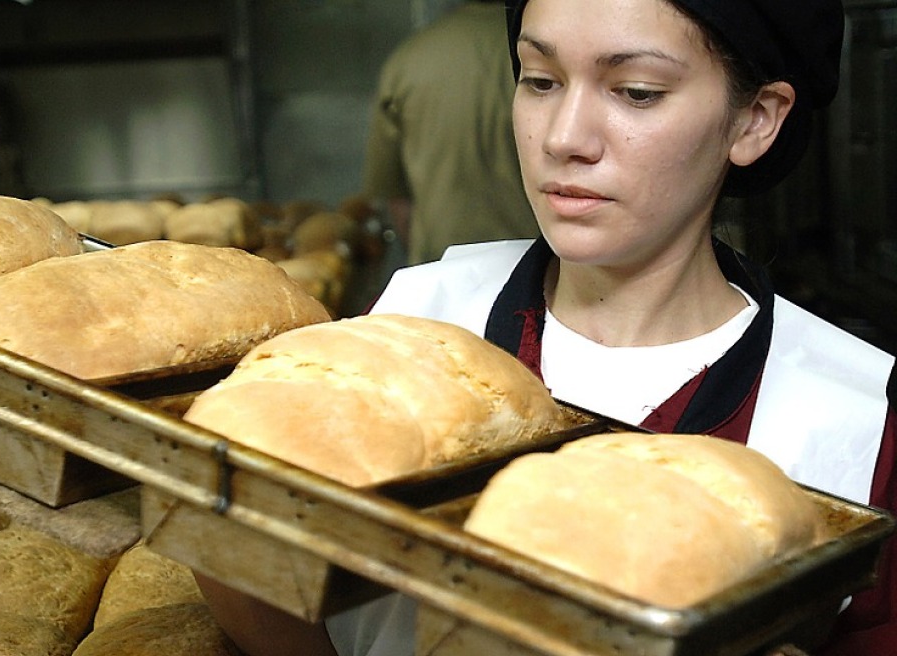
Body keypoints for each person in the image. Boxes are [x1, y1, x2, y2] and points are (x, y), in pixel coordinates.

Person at [197, 0, 897, 654]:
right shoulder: (411, 323)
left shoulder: (847, 426)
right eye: (539, 80)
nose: (564, 138)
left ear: (755, 121)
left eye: (636, 92)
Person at [362, 0, 539, 265]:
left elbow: (393, 191)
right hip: (535, 269)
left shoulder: (408, 60)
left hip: (439, 266)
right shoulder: (539, 56)